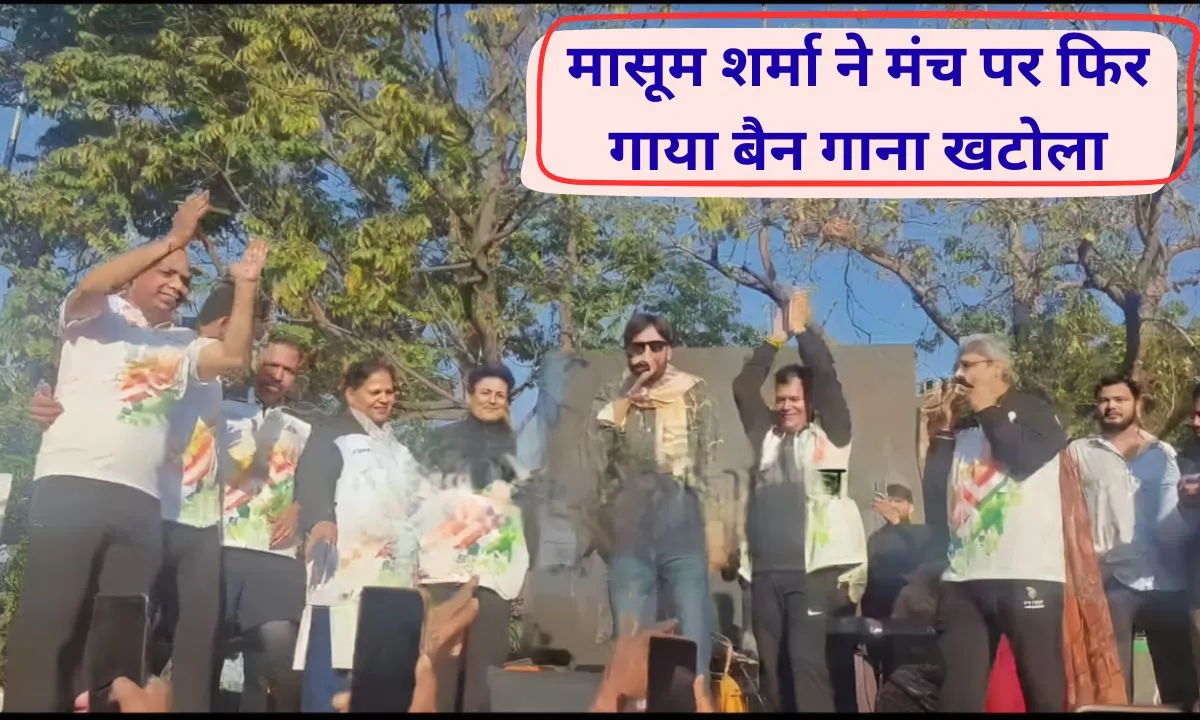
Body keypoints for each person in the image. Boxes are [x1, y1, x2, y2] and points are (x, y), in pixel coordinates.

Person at [3, 193, 264, 713]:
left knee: (119, 640)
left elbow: (233, 357)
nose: (178, 284)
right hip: (72, 486)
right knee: (51, 623)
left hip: (142, 505)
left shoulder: (182, 344)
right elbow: (92, 283)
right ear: (136, 275)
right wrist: (174, 239)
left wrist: (247, 285)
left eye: (185, 279)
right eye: (166, 272)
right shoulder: (93, 317)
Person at [728, 290, 858, 713]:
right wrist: (774, 338)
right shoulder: (765, 437)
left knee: (807, 667)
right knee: (773, 672)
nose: (785, 407)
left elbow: (827, 378)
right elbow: (743, 388)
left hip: (813, 573)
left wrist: (802, 332)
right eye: (781, 399)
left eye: (795, 400)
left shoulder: (832, 436)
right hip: (763, 575)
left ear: (810, 403)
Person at [924, 334, 1069, 713]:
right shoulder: (964, 424)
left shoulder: (1035, 411)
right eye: (956, 366)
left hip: (1027, 573)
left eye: (967, 365)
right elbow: (936, 497)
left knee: (1043, 690)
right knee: (957, 696)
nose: (957, 375)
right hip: (964, 578)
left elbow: (1021, 459)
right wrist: (941, 431)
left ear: (998, 368)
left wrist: (987, 407)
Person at [587, 312, 727, 681]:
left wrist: (715, 528)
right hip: (630, 527)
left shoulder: (695, 393)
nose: (645, 355)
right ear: (627, 351)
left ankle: (694, 698)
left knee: (691, 638)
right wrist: (624, 404)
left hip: (682, 522)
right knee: (629, 640)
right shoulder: (611, 394)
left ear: (669, 349)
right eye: (637, 348)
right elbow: (595, 457)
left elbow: (710, 462)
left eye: (655, 346)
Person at [292, 358, 425, 712]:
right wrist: (320, 520)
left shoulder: (400, 450)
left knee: (384, 681)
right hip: (342, 572)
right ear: (350, 394)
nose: (384, 398)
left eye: (389, 392)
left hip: (393, 580)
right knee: (332, 678)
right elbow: (312, 482)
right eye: (374, 391)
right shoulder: (330, 435)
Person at [1069, 374, 1197, 708]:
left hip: (1167, 582)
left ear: (1137, 404)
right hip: (1111, 585)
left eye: (1119, 399)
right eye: (1104, 400)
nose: (1110, 406)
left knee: (1180, 689)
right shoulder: (1079, 453)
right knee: (1112, 689)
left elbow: (1176, 521)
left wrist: (1187, 507)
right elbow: (1068, 515)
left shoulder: (1164, 453)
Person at [414, 364, 531, 712]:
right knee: (441, 666)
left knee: (485, 673)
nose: (492, 400)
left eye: (500, 395)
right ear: (469, 395)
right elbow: (418, 498)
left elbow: (531, 503)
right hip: (444, 567)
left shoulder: (520, 447)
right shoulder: (440, 440)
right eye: (485, 393)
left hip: (495, 572)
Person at [218, 335, 311, 712]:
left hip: (276, 558)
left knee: (274, 664)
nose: (278, 375)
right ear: (256, 361)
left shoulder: (304, 429)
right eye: (272, 365)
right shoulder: (221, 409)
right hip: (218, 549)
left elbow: (317, 484)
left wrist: (299, 507)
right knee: (201, 657)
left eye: (288, 370)